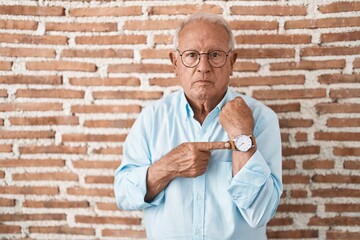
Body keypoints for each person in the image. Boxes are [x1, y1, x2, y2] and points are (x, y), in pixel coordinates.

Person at [114, 12, 282, 240]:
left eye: (214, 55)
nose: (203, 67)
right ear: (175, 63)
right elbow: (123, 195)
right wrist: (168, 167)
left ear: (231, 62)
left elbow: (261, 212)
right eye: (191, 55)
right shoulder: (151, 119)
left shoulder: (262, 118)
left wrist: (243, 136)